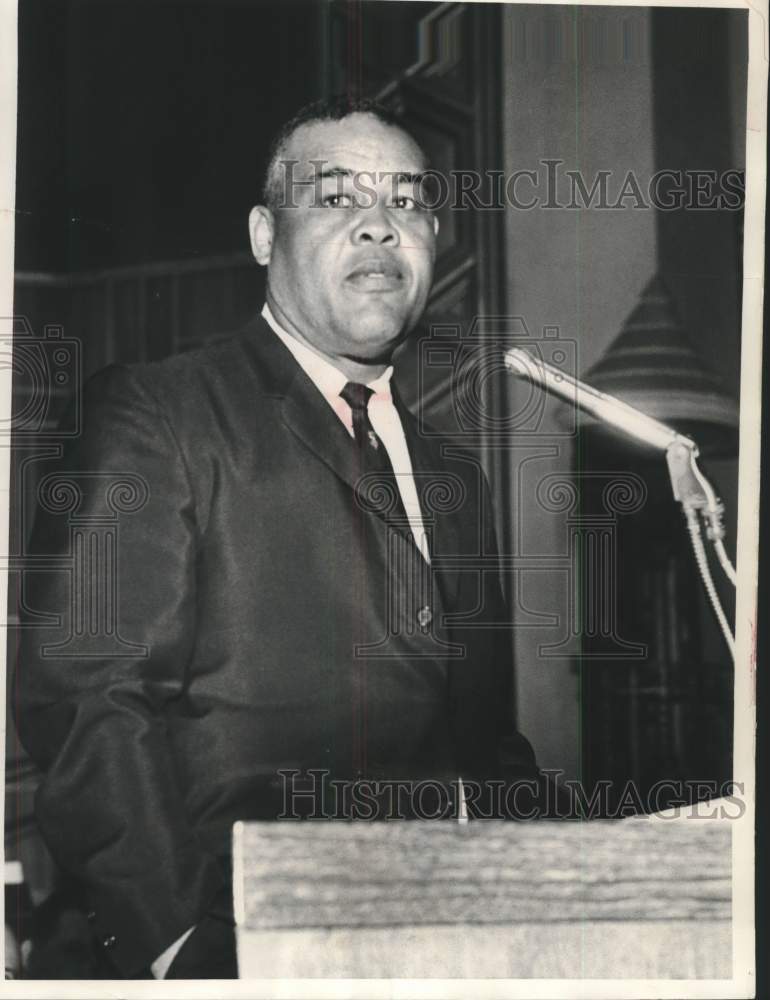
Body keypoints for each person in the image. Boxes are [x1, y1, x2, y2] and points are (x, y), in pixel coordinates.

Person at [14, 97, 542, 980]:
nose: (380, 227)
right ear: (265, 235)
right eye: (337, 199)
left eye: (407, 202)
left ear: (436, 240)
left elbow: (482, 743)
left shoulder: (459, 476)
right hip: (239, 948)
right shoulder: (159, 413)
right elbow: (87, 703)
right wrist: (176, 945)